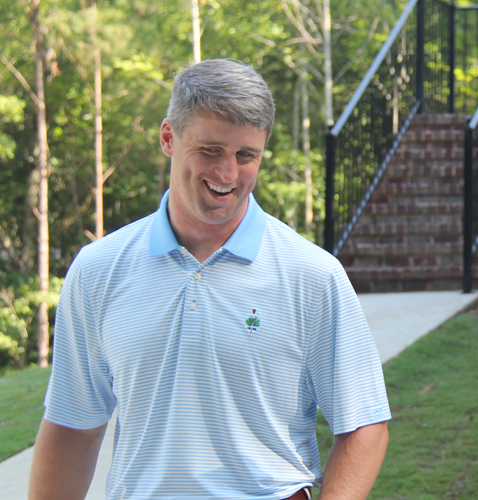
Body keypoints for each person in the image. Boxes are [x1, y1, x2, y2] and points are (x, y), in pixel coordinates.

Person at [28, 59, 391, 500]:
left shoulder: (311, 274)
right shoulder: (98, 270)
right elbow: (72, 426)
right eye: (211, 150)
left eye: (246, 155)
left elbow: (363, 422)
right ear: (168, 138)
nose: (228, 174)